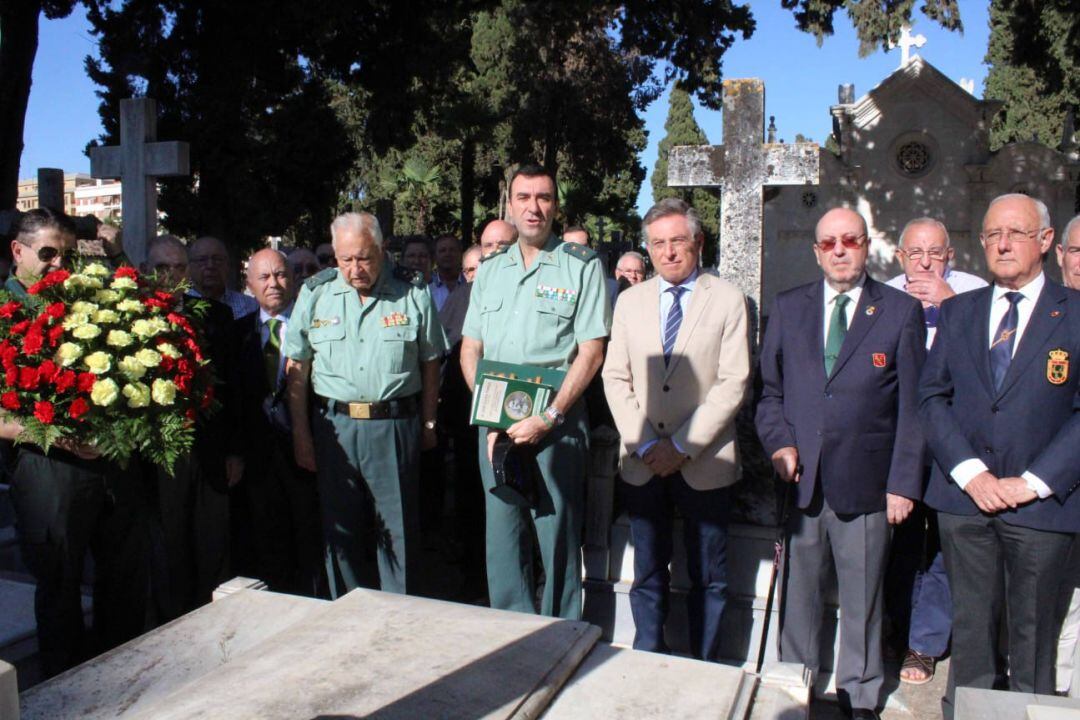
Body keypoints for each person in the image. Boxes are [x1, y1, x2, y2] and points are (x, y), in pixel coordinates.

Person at [755, 207, 926, 720]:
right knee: (799, 601)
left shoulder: (899, 311)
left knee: (863, 604)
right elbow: (769, 395)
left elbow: (915, 407)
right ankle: (793, 691)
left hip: (870, 486)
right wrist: (780, 444)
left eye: (849, 240)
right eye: (828, 243)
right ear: (816, 251)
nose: (839, 250)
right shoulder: (789, 308)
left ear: (865, 244)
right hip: (803, 482)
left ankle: (862, 698)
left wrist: (902, 483)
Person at [920, 194, 1080, 718]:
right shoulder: (959, 311)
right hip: (966, 504)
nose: (1003, 243)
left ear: (1046, 241)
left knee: (1033, 643)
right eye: (992, 234)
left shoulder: (1074, 313)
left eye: (1015, 232)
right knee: (971, 637)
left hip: (1041, 507)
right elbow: (933, 396)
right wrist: (971, 474)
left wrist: (1032, 481)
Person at [1, 208, 148, 678]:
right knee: (61, 585)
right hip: (46, 465)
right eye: (46, 253)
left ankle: (122, 676)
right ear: (17, 251)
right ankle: (65, 689)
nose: (54, 265)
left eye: (63, 256)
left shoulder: (82, 300)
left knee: (122, 576)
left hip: (107, 461)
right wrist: (56, 436)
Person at [460, 164, 611, 620]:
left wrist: (551, 416)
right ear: (509, 204)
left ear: (556, 206)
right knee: (502, 538)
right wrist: (491, 414)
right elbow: (471, 348)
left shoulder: (581, 267)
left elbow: (591, 351)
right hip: (497, 425)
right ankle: (508, 632)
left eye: (543, 197)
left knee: (557, 535)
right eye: (524, 197)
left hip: (555, 424)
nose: (534, 207)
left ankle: (560, 634)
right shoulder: (490, 272)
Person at [602, 198, 750, 661]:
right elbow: (615, 377)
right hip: (643, 464)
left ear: (698, 243)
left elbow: (734, 381)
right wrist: (647, 443)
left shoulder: (728, 299)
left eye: (677, 242)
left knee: (709, 574)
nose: (667, 253)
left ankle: (706, 663)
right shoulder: (630, 301)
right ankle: (649, 654)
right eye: (657, 244)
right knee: (647, 570)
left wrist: (682, 446)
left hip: (704, 462)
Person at [284, 212, 446, 597]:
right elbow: (297, 366)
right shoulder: (316, 292)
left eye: (364, 258)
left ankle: (400, 622)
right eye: (345, 260)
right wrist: (302, 436)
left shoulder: (412, 291)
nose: (355, 269)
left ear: (382, 249)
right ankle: (350, 617)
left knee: (399, 533)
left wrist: (428, 424)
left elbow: (431, 362)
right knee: (341, 531)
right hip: (334, 430)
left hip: (393, 425)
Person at [884, 218, 987, 685]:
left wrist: (955, 309)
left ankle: (925, 643)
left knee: (946, 542)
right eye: (915, 254)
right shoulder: (885, 294)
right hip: (901, 438)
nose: (925, 263)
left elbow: (993, 367)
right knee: (902, 541)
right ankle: (899, 629)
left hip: (956, 438)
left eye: (935, 253)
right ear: (900, 258)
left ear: (951, 256)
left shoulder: (973, 293)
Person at [142, 235, 243, 619]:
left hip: (212, 450)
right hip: (161, 453)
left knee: (213, 540)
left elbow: (232, 388)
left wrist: (235, 450)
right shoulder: (133, 317)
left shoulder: (214, 315)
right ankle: (173, 622)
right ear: (146, 271)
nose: (170, 275)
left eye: (178, 267)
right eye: (161, 268)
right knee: (169, 547)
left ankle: (214, 619)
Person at [234, 249, 324, 597]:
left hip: (306, 453)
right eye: (264, 277)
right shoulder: (237, 333)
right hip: (258, 460)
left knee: (310, 541)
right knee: (268, 545)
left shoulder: (314, 328)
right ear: (250, 285)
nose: (273, 283)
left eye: (281, 275)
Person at [439, 243, 487, 600]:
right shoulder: (462, 298)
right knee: (473, 505)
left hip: (527, 424)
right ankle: (474, 584)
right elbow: (445, 356)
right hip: (469, 421)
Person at [187, 235, 258, 319]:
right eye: (202, 260)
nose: (210, 265)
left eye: (217, 259)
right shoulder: (177, 307)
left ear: (227, 265)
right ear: (189, 267)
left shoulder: (250, 307)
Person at [430, 234, 464, 311]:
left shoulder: (470, 283)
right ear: (435, 256)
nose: (447, 254)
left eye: (452, 250)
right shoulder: (427, 288)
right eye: (442, 251)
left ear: (460, 254)